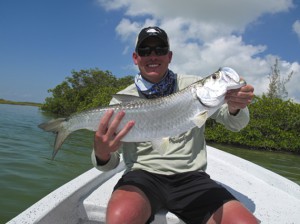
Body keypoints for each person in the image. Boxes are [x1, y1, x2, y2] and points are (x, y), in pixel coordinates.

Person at [91, 26, 257, 224]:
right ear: (136, 58)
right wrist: (101, 153)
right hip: (142, 177)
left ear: (169, 56)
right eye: (145, 51)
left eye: (160, 50)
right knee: (120, 219)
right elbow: (108, 164)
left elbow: (235, 124)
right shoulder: (121, 101)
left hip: (192, 177)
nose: (153, 56)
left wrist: (236, 106)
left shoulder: (194, 85)